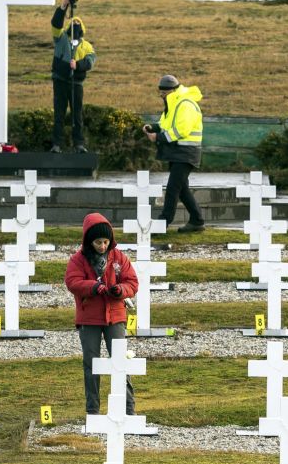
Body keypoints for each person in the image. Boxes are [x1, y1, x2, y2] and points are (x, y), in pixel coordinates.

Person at [64, 213, 139, 415]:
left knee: (120, 363)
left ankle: (129, 410)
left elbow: (132, 283)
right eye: (98, 242)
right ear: (89, 241)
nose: (103, 246)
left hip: (115, 316)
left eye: (106, 241)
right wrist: (94, 287)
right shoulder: (78, 260)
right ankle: (93, 411)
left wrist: (120, 290)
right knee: (91, 364)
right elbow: (72, 282)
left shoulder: (119, 257)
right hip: (89, 319)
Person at [142, 75, 206, 232]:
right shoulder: (175, 103)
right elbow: (165, 124)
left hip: (186, 153)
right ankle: (197, 221)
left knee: (172, 188)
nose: (161, 97)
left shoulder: (185, 104)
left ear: (171, 91)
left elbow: (181, 130)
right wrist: (154, 128)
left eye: (163, 94)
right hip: (180, 152)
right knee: (181, 189)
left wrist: (158, 137)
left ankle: (162, 223)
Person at [50, 0, 96, 154]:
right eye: (73, 23)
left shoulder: (87, 46)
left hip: (76, 84)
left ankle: (79, 144)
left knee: (77, 116)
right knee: (59, 114)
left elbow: (90, 62)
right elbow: (56, 23)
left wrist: (78, 65)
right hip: (60, 81)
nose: (75, 25)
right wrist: (63, 7)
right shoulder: (61, 38)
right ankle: (56, 144)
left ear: (82, 28)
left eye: (78, 24)